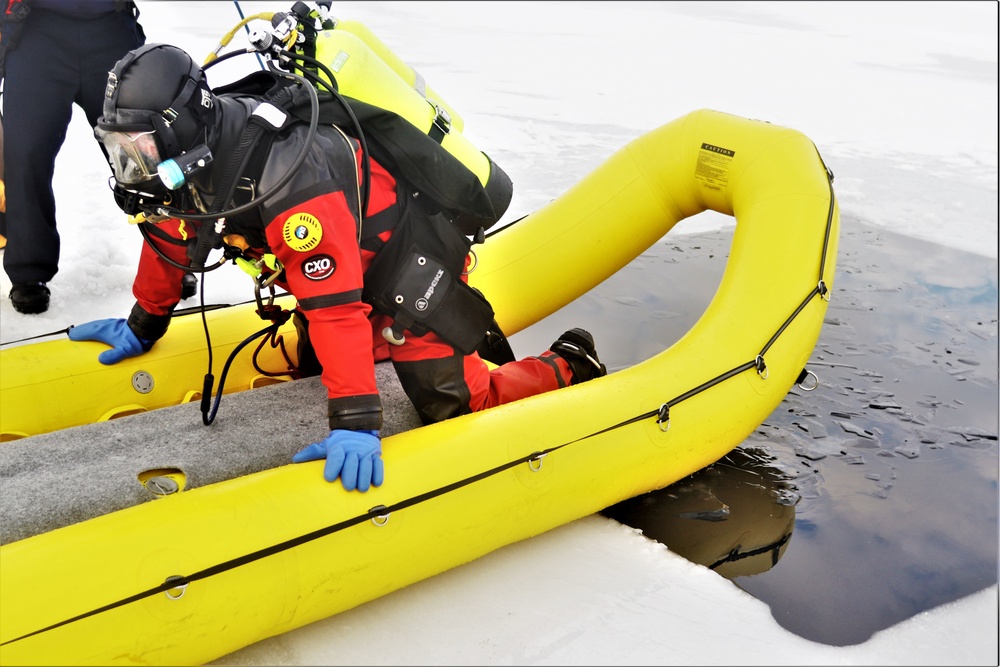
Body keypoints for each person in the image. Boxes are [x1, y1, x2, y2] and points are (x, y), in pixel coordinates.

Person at [67, 43, 607, 492]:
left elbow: (335, 304)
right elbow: (172, 226)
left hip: (405, 273)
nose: (129, 165)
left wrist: (355, 423)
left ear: (179, 128)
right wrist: (144, 322)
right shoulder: (195, 160)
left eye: (138, 147)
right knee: (311, 371)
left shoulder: (290, 175)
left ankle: (568, 364)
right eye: (117, 148)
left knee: (458, 405)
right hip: (336, 271)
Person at [0, 0, 146, 314]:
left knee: (141, 152)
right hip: (34, 28)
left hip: (111, 24)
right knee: (25, 153)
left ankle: (171, 255)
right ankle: (28, 271)